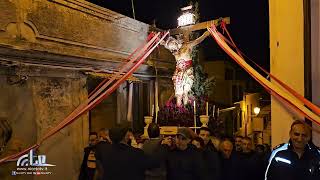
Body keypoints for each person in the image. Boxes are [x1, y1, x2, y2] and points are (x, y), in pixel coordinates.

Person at [95, 126, 168, 180]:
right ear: (125, 137)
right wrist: (164, 145)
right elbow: (154, 162)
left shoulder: (105, 152)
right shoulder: (135, 153)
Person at [162, 31, 210, 106]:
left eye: (173, 47)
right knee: (178, 94)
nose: (173, 50)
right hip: (178, 73)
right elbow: (164, 44)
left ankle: (185, 110)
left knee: (185, 92)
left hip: (187, 71)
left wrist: (204, 35)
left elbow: (197, 41)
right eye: (172, 49)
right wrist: (158, 39)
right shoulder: (174, 49)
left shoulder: (187, 45)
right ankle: (179, 112)